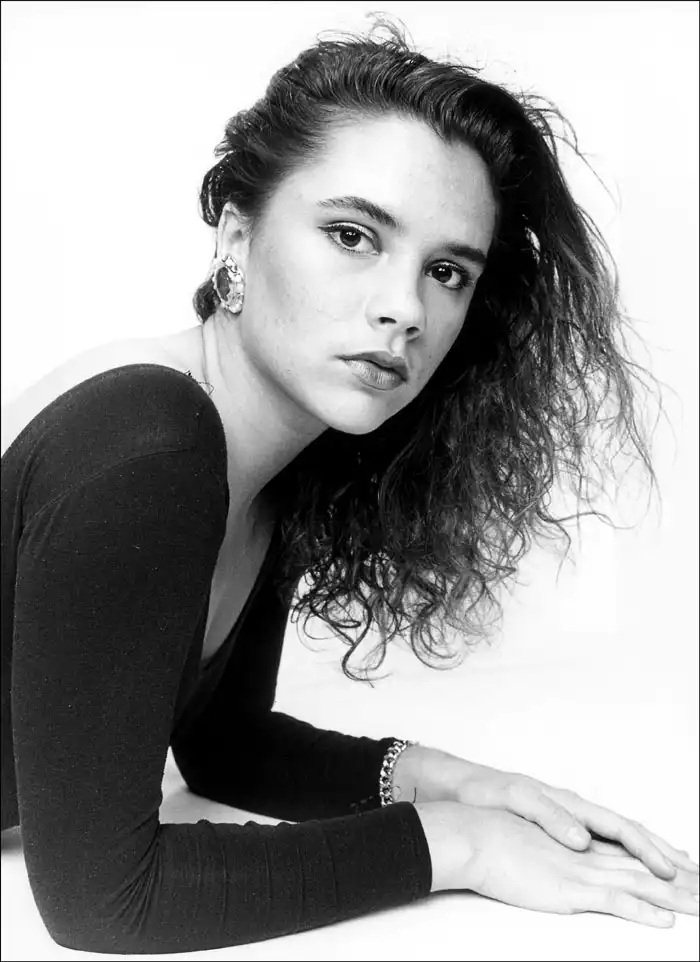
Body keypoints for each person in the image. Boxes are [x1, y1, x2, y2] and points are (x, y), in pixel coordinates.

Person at [1, 16, 698, 955]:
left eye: (446, 271)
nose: (404, 309)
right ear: (237, 237)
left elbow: (222, 745)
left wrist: (461, 785)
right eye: (352, 235)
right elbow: (102, 901)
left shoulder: (270, 457)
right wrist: (456, 847)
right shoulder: (150, 447)